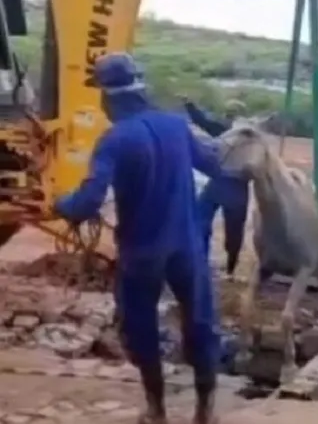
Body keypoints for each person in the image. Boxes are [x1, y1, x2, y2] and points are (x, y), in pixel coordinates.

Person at [53, 53, 223, 424]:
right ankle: (205, 411)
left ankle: (157, 411)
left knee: (140, 324)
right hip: (187, 246)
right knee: (200, 322)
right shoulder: (176, 126)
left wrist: (59, 204)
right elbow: (214, 164)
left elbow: (87, 202)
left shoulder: (115, 140)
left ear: (109, 97)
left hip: (142, 251)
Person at [182, 98, 249, 277]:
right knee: (233, 229)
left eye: (229, 114)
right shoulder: (252, 137)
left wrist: (190, 105)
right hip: (236, 188)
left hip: (222, 184)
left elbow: (203, 122)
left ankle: (204, 261)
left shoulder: (225, 131)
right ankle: (229, 268)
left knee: (202, 219)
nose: (227, 117)